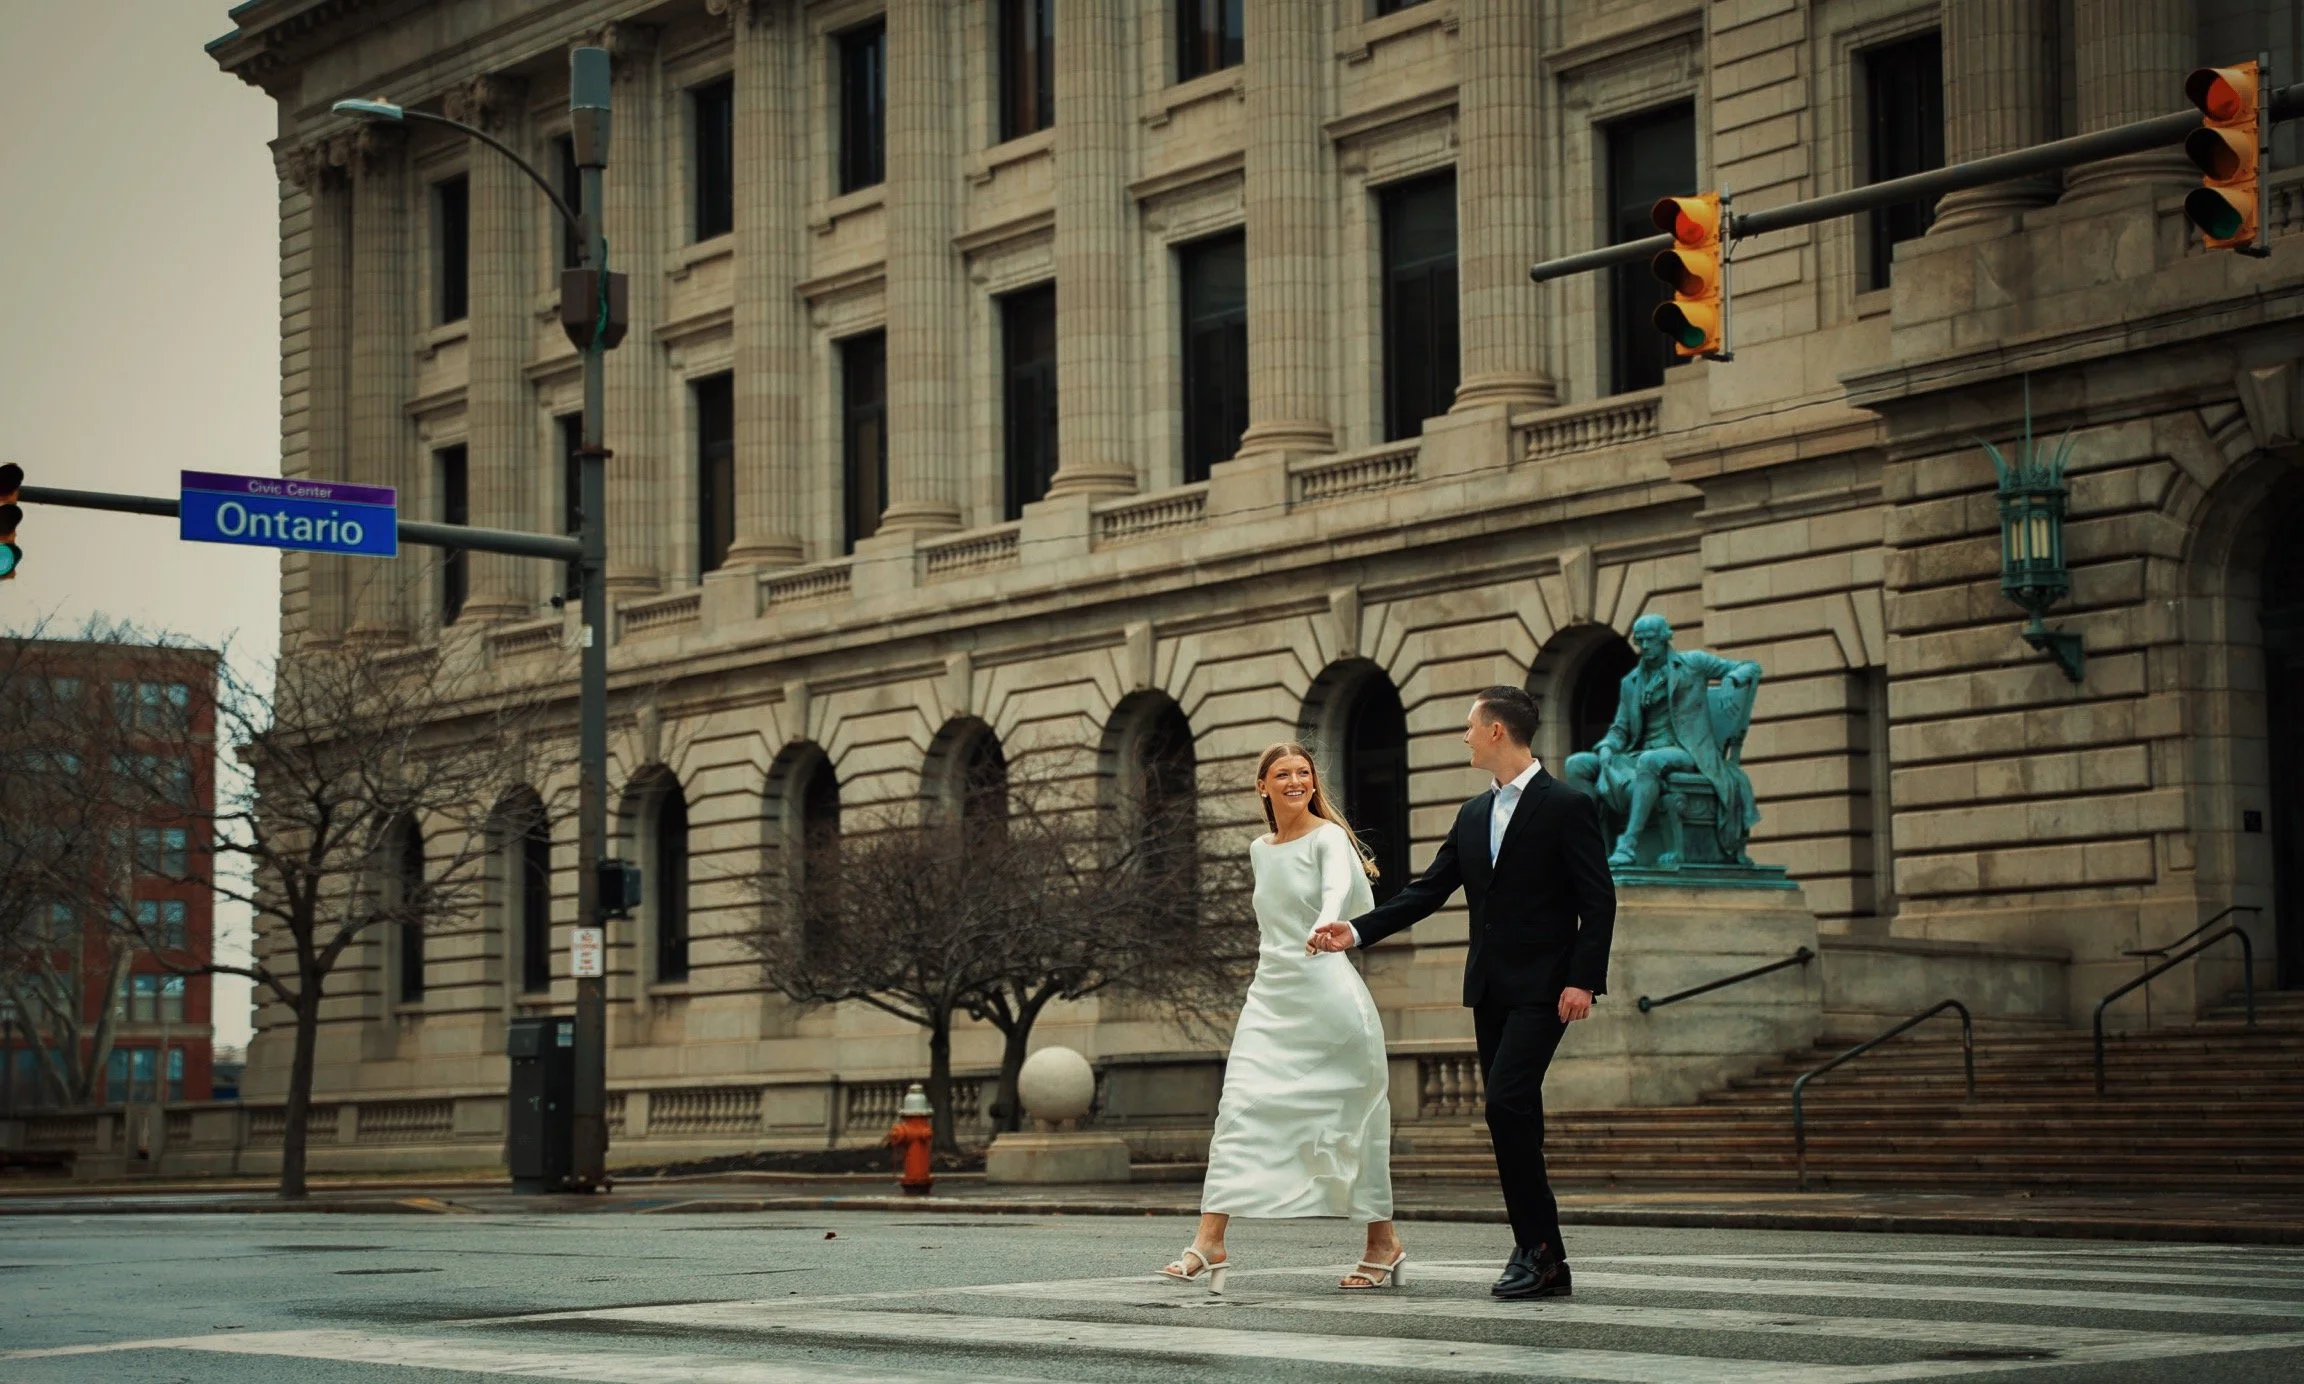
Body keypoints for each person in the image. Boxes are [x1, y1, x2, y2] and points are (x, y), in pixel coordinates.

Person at [1309, 685, 1615, 1301]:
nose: (1466, 736)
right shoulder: (1474, 814)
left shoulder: (1567, 806)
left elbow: (1597, 899)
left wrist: (1583, 978)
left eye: (1471, 726)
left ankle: (1537, 1248)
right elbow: (1428, 890)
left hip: (1548, 987)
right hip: (1491, 987)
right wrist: (1358, 930)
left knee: (1505, 1102)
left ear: (1498, 731)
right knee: (1512, 1117)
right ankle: (1543, 1254)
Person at [1158, 742, 1405, 1295]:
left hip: (1329, 997)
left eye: (1303, 773)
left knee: (1353, 1123)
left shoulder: (1330, 838)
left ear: (1314, 782)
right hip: (1270, 995)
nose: (1296, 781)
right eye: (1282, 774)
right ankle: (1210, 1240)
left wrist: (1322, 924)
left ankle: (1382, 1243)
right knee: (1238, 1109)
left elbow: (1337, 891)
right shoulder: (1259, 849)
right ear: (1262, 787)